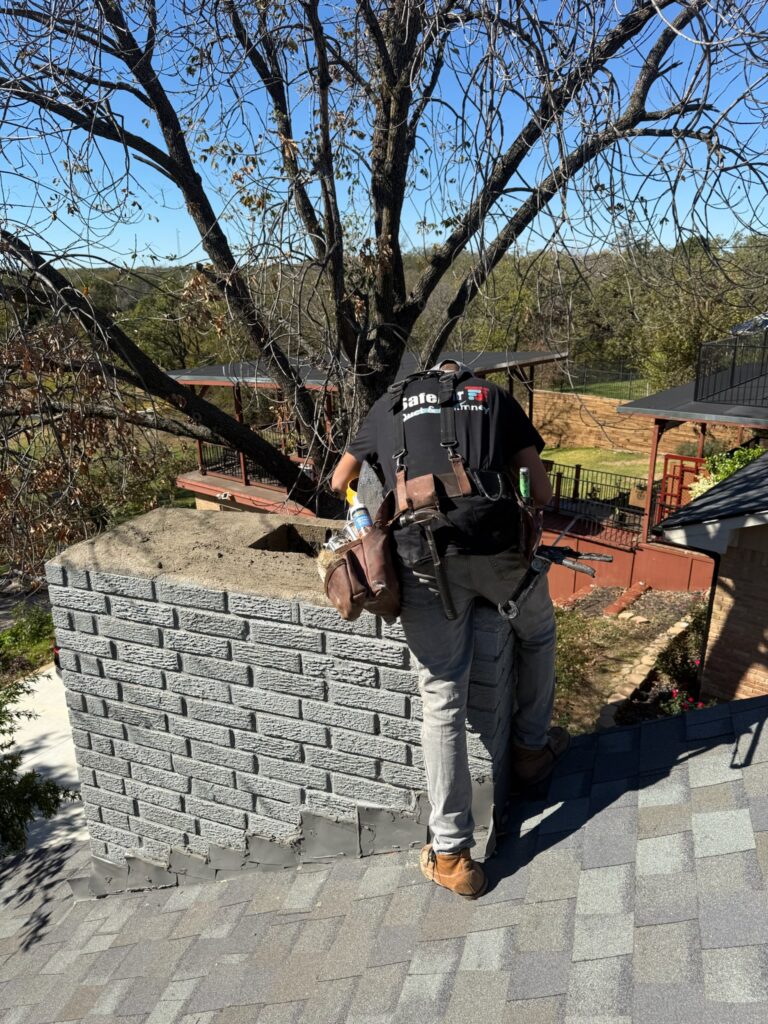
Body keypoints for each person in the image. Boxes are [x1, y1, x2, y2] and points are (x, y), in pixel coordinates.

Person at [331, 359, 568, 899]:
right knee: (538, 633)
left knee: (442, 697)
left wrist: (364, 511)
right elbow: (544, 492)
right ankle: (531, 752)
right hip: (497, 556)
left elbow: (340, 480)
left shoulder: (387, 405)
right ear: (465, 376)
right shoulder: (495, 398)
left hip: (420, 559)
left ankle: (453, 856)